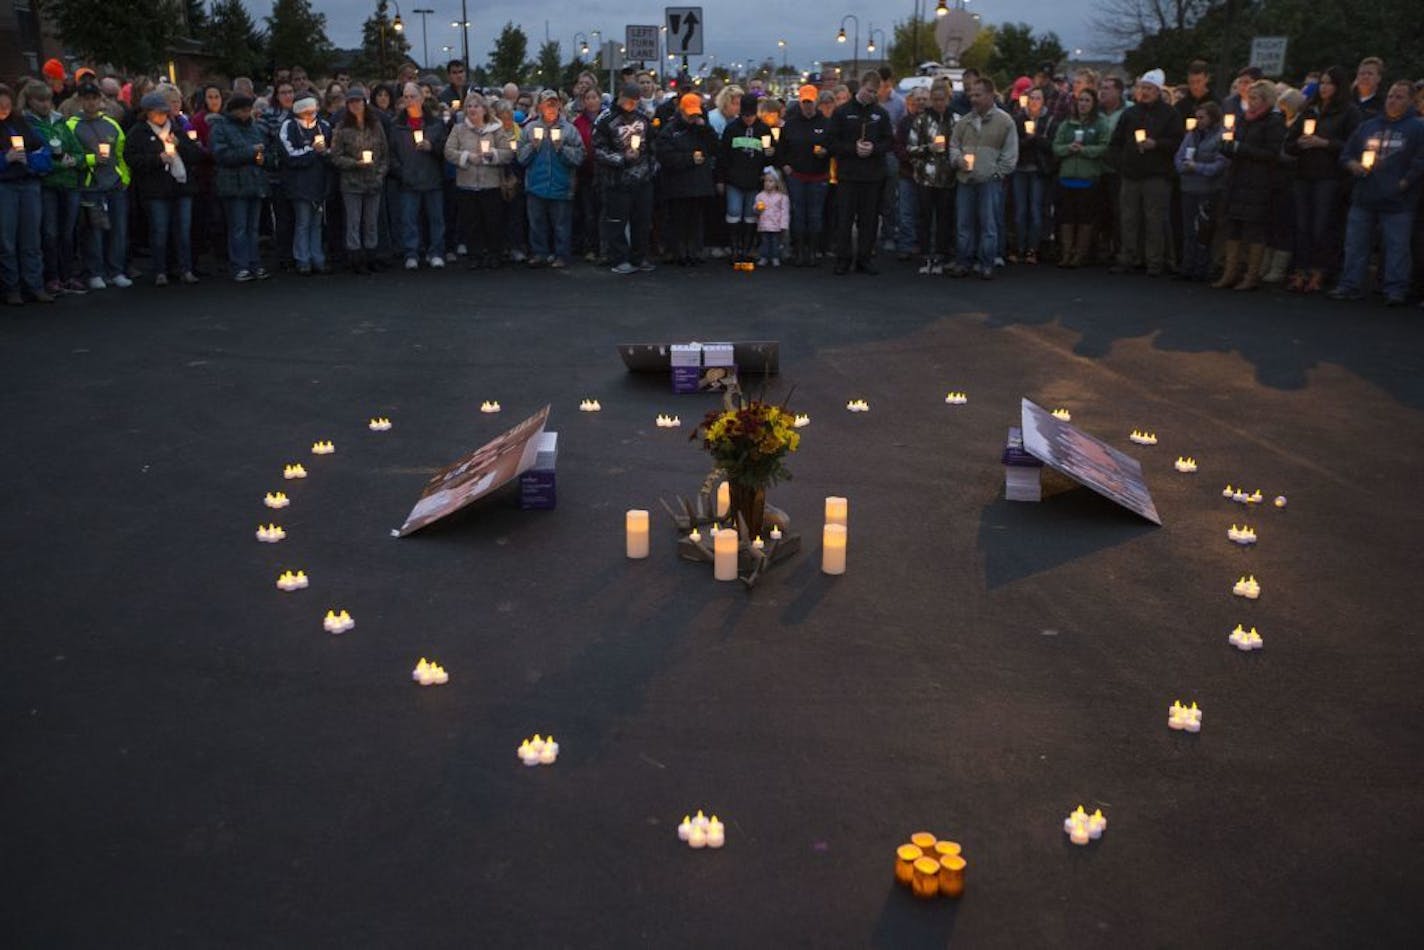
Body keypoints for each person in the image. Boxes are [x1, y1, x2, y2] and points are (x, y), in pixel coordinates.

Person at [1330, 80, 1424, 306]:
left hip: (1398, 200)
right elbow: (1347, 153)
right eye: (1391, 96)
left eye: (1400, 97)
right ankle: (1351, 284)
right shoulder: (1368, 126)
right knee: (1355, 244)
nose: (1393, 100)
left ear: (1411, 101)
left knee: (1397, 246)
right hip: (1365, 194)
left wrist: (1403, 183)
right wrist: (1354, 165)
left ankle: (1395, 289)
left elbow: (1420, 160)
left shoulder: (1417, 128)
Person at [1283, 65, 1361, 292]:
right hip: (1303, 173)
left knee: (1322, 226)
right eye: (1323, 83)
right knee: (1302, 225)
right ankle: (1300, 269)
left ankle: (1320, 270)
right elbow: (1289, 142)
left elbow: (1353, 145)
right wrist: (1299, 143)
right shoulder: (1309, 110)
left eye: (1329, 83)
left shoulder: (1349, 112)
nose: (1325, 87)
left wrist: (1325, 143)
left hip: (1329, 176)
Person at [1213, 80, 1287, 291]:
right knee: (1233, 227)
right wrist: (1228, 147)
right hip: (1238, 179)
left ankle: (1251, 275)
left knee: (1254, 229)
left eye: (1254, 98)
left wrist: (1241, 148)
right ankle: (1230, 272)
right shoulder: (1244, 120)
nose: (1250, 103)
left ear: (1266, 100)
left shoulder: (1273, 122)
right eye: (1248, 98)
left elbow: (1272, 154)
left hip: (1258, 182)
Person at [1109, 68, 1182, 277]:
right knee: (1129, 218)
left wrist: (1157, 144)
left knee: (1154, 220)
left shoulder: (1170, 114)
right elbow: (1116, 142)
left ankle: (1154, 261)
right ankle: (1128, 256)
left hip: (1156, 175)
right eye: (1142, 88)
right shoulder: (1130, 113)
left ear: (1158, 91)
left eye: (1149, 88)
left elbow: (1177, 141)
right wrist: (1121, 164)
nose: (1145, 92)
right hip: (1131, 173)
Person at [124, 90, 201, 286]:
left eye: (164, 113)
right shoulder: (138, 133)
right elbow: (131, 159)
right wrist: (156, 159)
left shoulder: (176, 129)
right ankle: (160, 270)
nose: (162, 116)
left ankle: (185, 268)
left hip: (181, 186)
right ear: (147, 113)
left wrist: (180, 146)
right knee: (160, 231)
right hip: (156, 190)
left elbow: (195, 154)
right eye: (158, 112)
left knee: (183, 230)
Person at [948, 76, 1017, 279]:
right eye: (971, 94)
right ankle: (964, 261)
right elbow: (953, 145)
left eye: (978, 94)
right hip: (965, 179)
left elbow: (1010, 153)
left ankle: (986, 263)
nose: (973, 99)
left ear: (989, 95)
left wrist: (997, 173)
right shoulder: (964, 121)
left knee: (989, 224)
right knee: (964, 223)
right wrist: (958, 160)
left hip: (989, 181)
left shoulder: (1005, 121)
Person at [67, 81, 132, 289]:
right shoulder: (72, 125)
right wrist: (91, 160)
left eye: (94, 98)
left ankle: (116, 271)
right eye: (87, 98)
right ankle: (95, 271)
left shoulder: (111, 124)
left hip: (114, 185)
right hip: (90, 187)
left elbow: (121, 153)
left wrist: (124, 178)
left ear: (100, 100)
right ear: (80, 100)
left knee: (118, 229)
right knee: (94, 231)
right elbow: (71, 156)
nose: (91, 102)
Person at [828, 71, 893, 275]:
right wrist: (851, 149)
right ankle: (843, 258)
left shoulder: (880, 114)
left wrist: (873, 149)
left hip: (873, 175)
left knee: (869, 220)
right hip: (848, 174)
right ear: (861, 87)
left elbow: (888, 141)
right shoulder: (842, 112)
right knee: (845, 219)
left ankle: (864, 258)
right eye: (868, 91)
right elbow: (831, 142)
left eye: (874, 92)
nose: (870, 95)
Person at [22, 81, 84, 295]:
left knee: (68, 233)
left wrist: (74, 161)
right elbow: (37, 157)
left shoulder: (60, 123)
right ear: (30, 101)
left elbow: (78, 151)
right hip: (48, 185)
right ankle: (52, 276)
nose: (46, 104)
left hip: (69, 183)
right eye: (40, 100)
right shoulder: (28, 124)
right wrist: (61, 164)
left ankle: (68, 274)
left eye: (48, 99)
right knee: (50, 233)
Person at [593, 83, 657, 275]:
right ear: (620, 96)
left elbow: (654, 145)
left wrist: (650, 167)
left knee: (643, 220)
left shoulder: (644, 119)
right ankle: (619, 258)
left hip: (642, 178)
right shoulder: (605, 119)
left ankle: (640, 256)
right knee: (616, 221)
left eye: (635, 102)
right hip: (616, 180)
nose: (631, 105)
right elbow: (598, 149)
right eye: (629, 101)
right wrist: (621, 158)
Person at [518, 89, 585, 268]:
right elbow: (521, 158)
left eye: (554, 103)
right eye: (547, 103)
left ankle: (561, 255)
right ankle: (540, 253)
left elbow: (579, 157)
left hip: (561, 186)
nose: (551, 107)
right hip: (536, 186)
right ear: (539, 106)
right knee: (536, 224)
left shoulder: (570, 130)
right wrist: (533, 147)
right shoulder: (530, 128)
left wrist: (561, 149)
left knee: (561, 225)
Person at [0, 83, 54, 305]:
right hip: (5, 186)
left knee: (31, 238)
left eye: (6, 104)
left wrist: (29, 160)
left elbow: (43, 151)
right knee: (7, 240)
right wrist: (5, 159)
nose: (3, 108)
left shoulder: (22, 124)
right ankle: (11, 287)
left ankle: (34, 284)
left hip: (28, 183)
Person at [445, 95, 511, 269]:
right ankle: (474, 254)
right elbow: (449, 151)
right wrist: (467, 157)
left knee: (492, 221)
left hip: (491, 183)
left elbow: (507, 152)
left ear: (484, 109)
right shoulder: (458, 129)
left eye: (476, 106)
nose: (472, 109)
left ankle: (494, 253)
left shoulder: (496, 129)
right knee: (471, 221)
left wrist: (492, 155)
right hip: (467, 183)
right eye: (469, 106)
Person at [208, 93, 269, 281]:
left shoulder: (255, 127)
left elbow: (263, 150)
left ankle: (254, 262)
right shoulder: (220, 128)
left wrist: (262, 158)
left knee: (253, 228)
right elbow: (222, 155)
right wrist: (251, 152)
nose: (247, 114)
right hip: (234, 184)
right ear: (233, 111)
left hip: (254, 181)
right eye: (243, 110)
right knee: (239, 227)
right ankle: (240, 264)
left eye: (248, 110)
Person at [328, 87, 389, 274]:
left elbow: (385, 153)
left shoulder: (375, 125)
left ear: (365, 103)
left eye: (359, 101)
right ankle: (355, 257)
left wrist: (380, 173)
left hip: (373, 180)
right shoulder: (342, 128)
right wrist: (355, 163)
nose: (356, 105)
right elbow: (335, 156)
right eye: (352, 102)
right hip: (352, 182)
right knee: (354, 221)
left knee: (371, 221)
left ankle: (372, 255)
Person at [654, 92, 718, 266]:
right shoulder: (670, 130)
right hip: (678, 185)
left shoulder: (703, 128)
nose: (692, 118)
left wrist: (706, 128)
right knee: (678, 220)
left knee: (696, 221)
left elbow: (715, 147)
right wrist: (689, 159)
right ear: (681, 111)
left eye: (695, 114)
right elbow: (664, 155)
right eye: (689, 114)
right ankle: (678, 252)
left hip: (699, 184)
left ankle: (695, 251)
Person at [390, 81, 448, 271]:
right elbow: (391, 153)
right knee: (409, 219)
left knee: (436, 219)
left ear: (422, 99)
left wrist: (432, 148)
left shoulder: (435, 124)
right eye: (405, 97)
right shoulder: (396, 125)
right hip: (408, 180)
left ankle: (436, 252)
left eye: (412, 96)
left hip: (432, 178)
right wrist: (401, 171)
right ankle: (411, 253)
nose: (409, 100)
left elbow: (445, 149)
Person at [1052, 87, 1110, 268]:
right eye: (1080, 100)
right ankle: (1066, 252)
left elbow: (1104, 146)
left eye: (1087, 101)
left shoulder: (1100, 123)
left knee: (1085, 218)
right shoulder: (1067, 123)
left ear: (1093, 104)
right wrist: (1068, 148)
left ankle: (1080, 253)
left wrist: (1085, 150)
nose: (1083, 104)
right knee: (1066, 218)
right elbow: (1056, 146)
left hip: (1088, 177)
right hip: (1067, 176)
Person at [905, 80, 957, 274]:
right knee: (925, 217)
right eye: (934, 99)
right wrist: (929, 149)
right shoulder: (921, 120)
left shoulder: (956, 120)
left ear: (948, 99)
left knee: (945, 218)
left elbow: (961, 147)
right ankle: (925, 255)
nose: (938, 103)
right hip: (925, 177)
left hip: (948, 177)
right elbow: (910, 148)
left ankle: (942, 255)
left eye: (941, 99)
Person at [1173, 101, 1228, 281]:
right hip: (1189, 188)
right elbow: (1179, 157)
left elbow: (1220, 165)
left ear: (1212, 118)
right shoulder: (1191, 135)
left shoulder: (1221, 136)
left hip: (1208, 190)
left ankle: (1203, 266)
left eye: (1202, 117)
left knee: (1204, 231)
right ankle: (1188, 265)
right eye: (1196, 117)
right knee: (1189, 229)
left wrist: (1197, 167)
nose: (1198, 121)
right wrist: (1183, 167)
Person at [779, 83, 833, 267]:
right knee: (798, 214)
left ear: (816, 102)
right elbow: (782, 148)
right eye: (804, 102)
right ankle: (799, 250)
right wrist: (785, 164)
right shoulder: (791, 124)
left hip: (819, 176)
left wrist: (825, 151)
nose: (807, 106)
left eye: (810, 102)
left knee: (816, 215)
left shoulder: (826, 123)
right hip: (797, 176)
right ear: (800, 102)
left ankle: (813, 250)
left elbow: (833, 146)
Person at [278, 95, 333, 275]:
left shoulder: (323, 126)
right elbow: (290, 156)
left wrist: (325, 153)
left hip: (319, 183)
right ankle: (302, 259)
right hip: (299, 184)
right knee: (302, 222)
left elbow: (333, 151)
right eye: (307, 112)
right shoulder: (289, 127)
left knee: (316, 223)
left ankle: (318, 257)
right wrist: (313, 151)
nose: (311, 115)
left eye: (313, 111)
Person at [719, 95, 774, 265]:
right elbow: (723, 155)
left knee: (751, 215)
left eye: (751, 115)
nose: (748, 119)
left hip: (755, 179)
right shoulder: (732, 129)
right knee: (734, 212)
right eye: (745, 115)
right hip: (734, 179)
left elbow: (771, 156)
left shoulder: (764, 129)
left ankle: (748, 247)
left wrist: (771, 155)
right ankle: (735, 248)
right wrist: (721, 179)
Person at [1011, 87, 1055, 264]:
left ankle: (1033, 248)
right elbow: (1012, 145)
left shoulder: (1049, 121)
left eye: (1038, 98)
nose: (1035, 101)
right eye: (1032, 98)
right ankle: (1019, 246)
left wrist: (1036, 138)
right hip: (1021, 168)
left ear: (1043, 101)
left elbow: (1051, 146)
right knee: (1020, 210)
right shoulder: (1018, 119)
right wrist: (1026, 141)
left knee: (1036, 209)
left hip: (1038, 169)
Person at [259, 80, 296, 270]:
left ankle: (298, 254)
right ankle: (284, 255)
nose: (288, 96)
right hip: (278, 174)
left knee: (299, 217)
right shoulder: (268, 116)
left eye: (290, 92)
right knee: (283, 217)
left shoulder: (300, 113)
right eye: (283, 93)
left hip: (299, 174)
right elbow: (262, 141)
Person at [572, 87, 604, 262]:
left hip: (604, 173)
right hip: (586, 173)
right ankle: (590, 247)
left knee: (604, 212)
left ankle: (604, 247)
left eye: (594, 97)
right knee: (588, 213)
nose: (591, 101)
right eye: (588, 98)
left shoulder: (606, 119)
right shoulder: (578, 122)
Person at [754, 167, 789, 267]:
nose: (767, 183)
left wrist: (783, 225)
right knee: (764, 242)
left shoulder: (782, 197)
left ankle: (775, 257)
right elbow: (755, 210)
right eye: (765, 181)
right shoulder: (760, 196)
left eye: (770, 181)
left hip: (776, 225)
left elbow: (785, 212)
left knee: (775, 243)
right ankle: (764, 257)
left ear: (777, 183)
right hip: (764, 224)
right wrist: (758, 209)